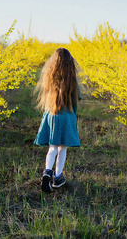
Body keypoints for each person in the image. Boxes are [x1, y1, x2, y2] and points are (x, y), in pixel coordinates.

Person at [33, 47, 82, 193]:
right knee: (62, 148)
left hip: (51, 115)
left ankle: (47, 172)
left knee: (52, 147)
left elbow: (47, 97)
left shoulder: (49, 79)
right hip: (67, 116)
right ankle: (58, 177)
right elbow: (76, 99)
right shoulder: (72, 81)